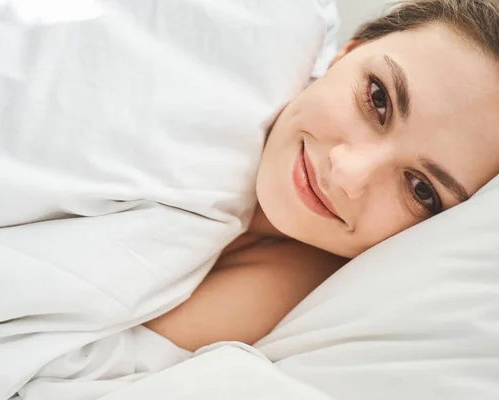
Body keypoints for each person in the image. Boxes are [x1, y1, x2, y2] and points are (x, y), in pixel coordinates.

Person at [146, 0, 499, 351]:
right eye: (378, 99)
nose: (349, 174)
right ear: (347, 52)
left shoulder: (302, 286)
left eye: (421, 189)